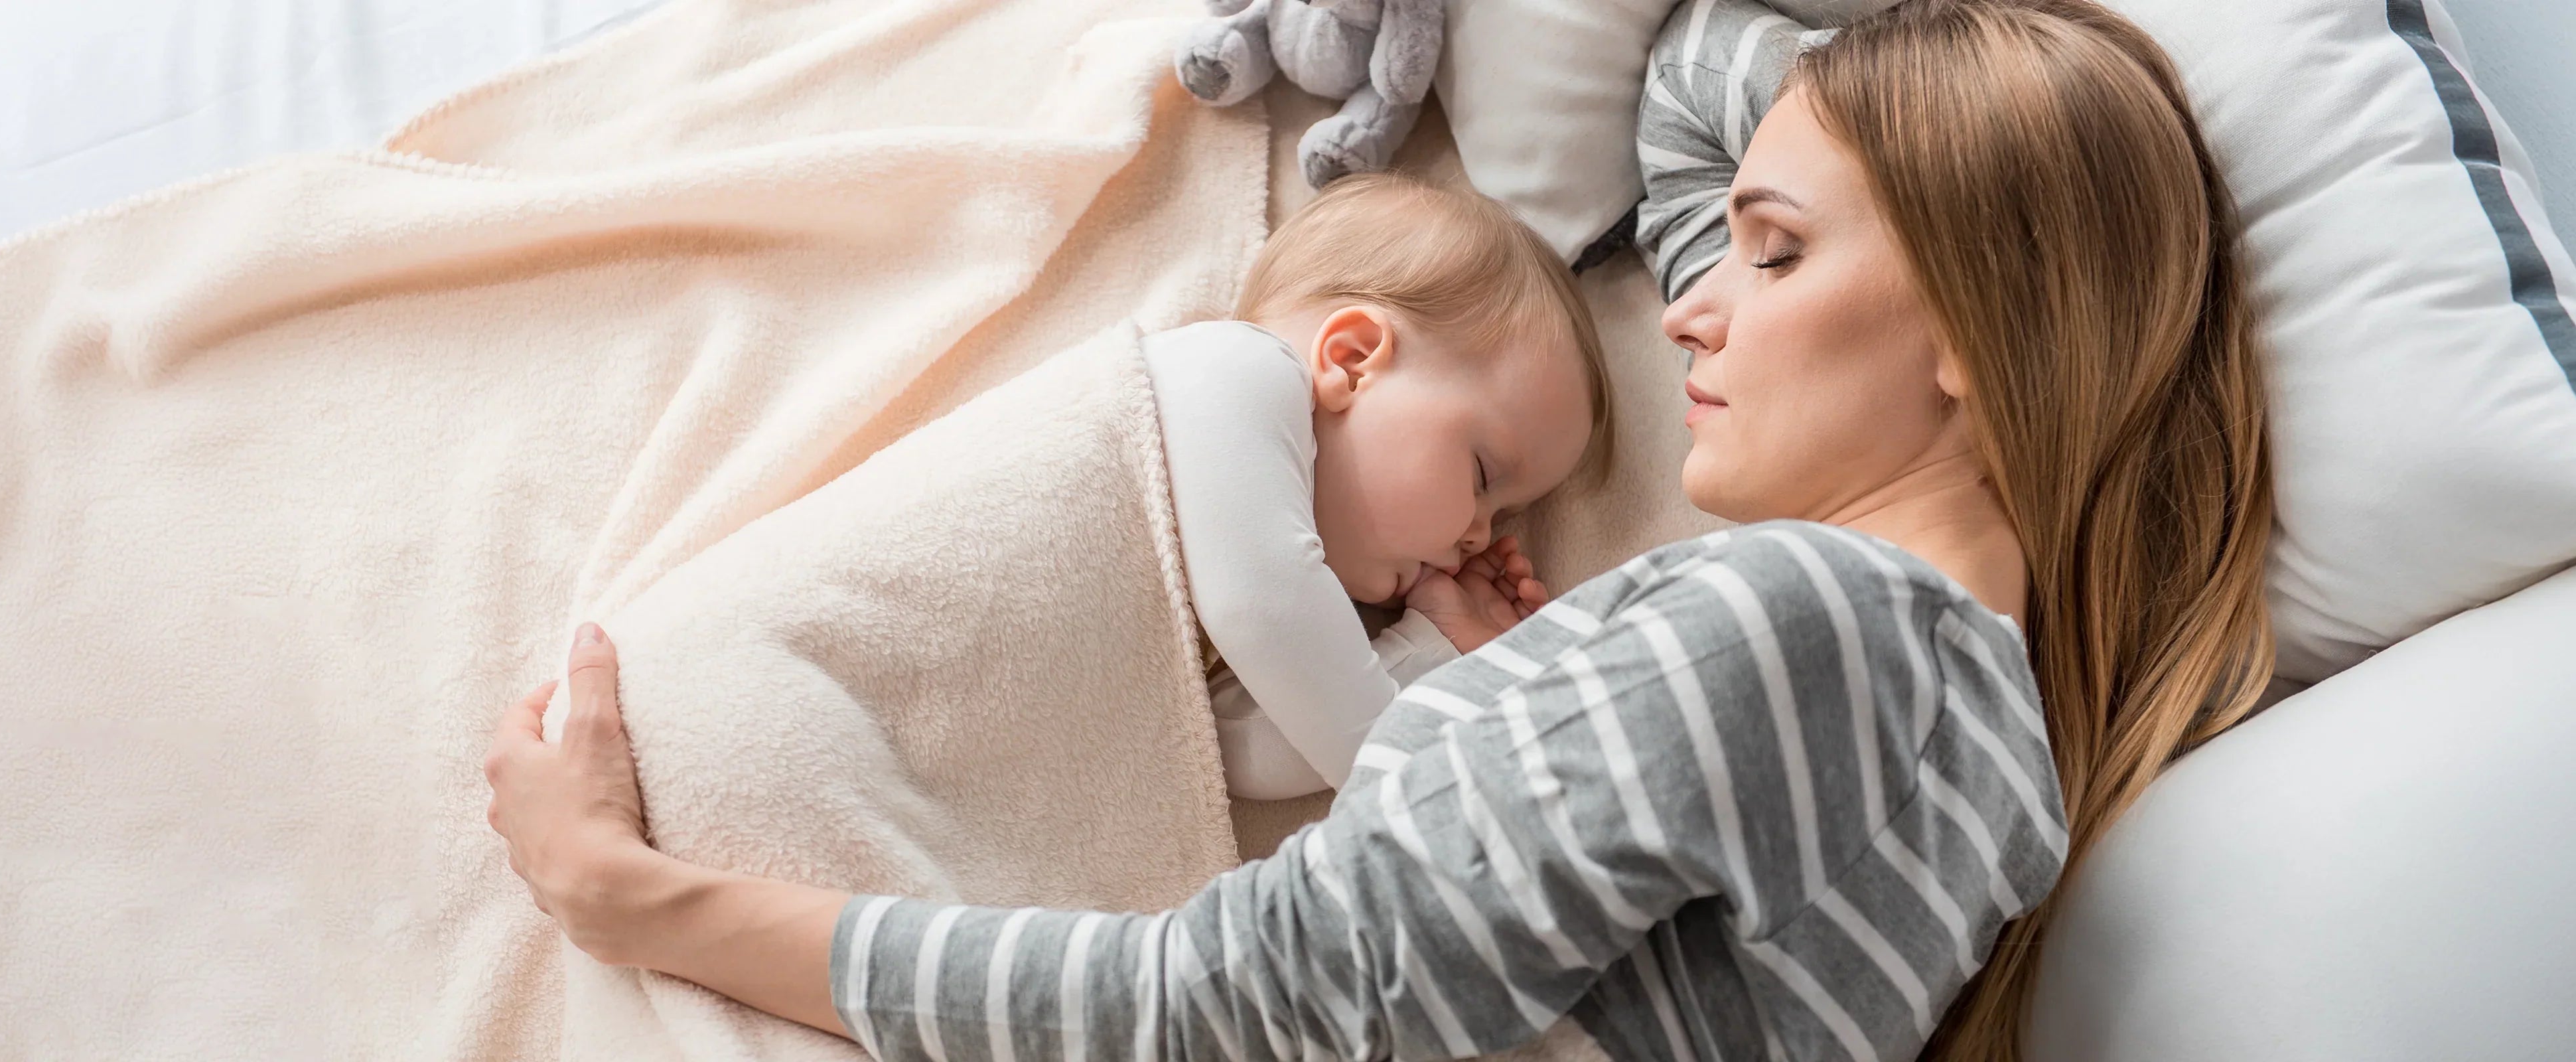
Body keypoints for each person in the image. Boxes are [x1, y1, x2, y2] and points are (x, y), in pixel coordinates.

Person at [484, 0, 2277, 1059]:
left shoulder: (1797, 629)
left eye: (1779, 255)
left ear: (1977, 332)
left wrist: (643, 898)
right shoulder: (1994, 755)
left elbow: (1227, 1015)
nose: (1692, 310)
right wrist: (1531, 702)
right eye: (1730, 248)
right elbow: (1686, 110)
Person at [1151, 172, 1613, 800]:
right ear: (1352, 360)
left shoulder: (1263, 627)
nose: (1481, 537)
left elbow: (1222, 751)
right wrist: (1424, 791)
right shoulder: (1229, 371)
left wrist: (1435, 650)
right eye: (1483, 477)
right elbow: (1262, 608)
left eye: (1506, 516)